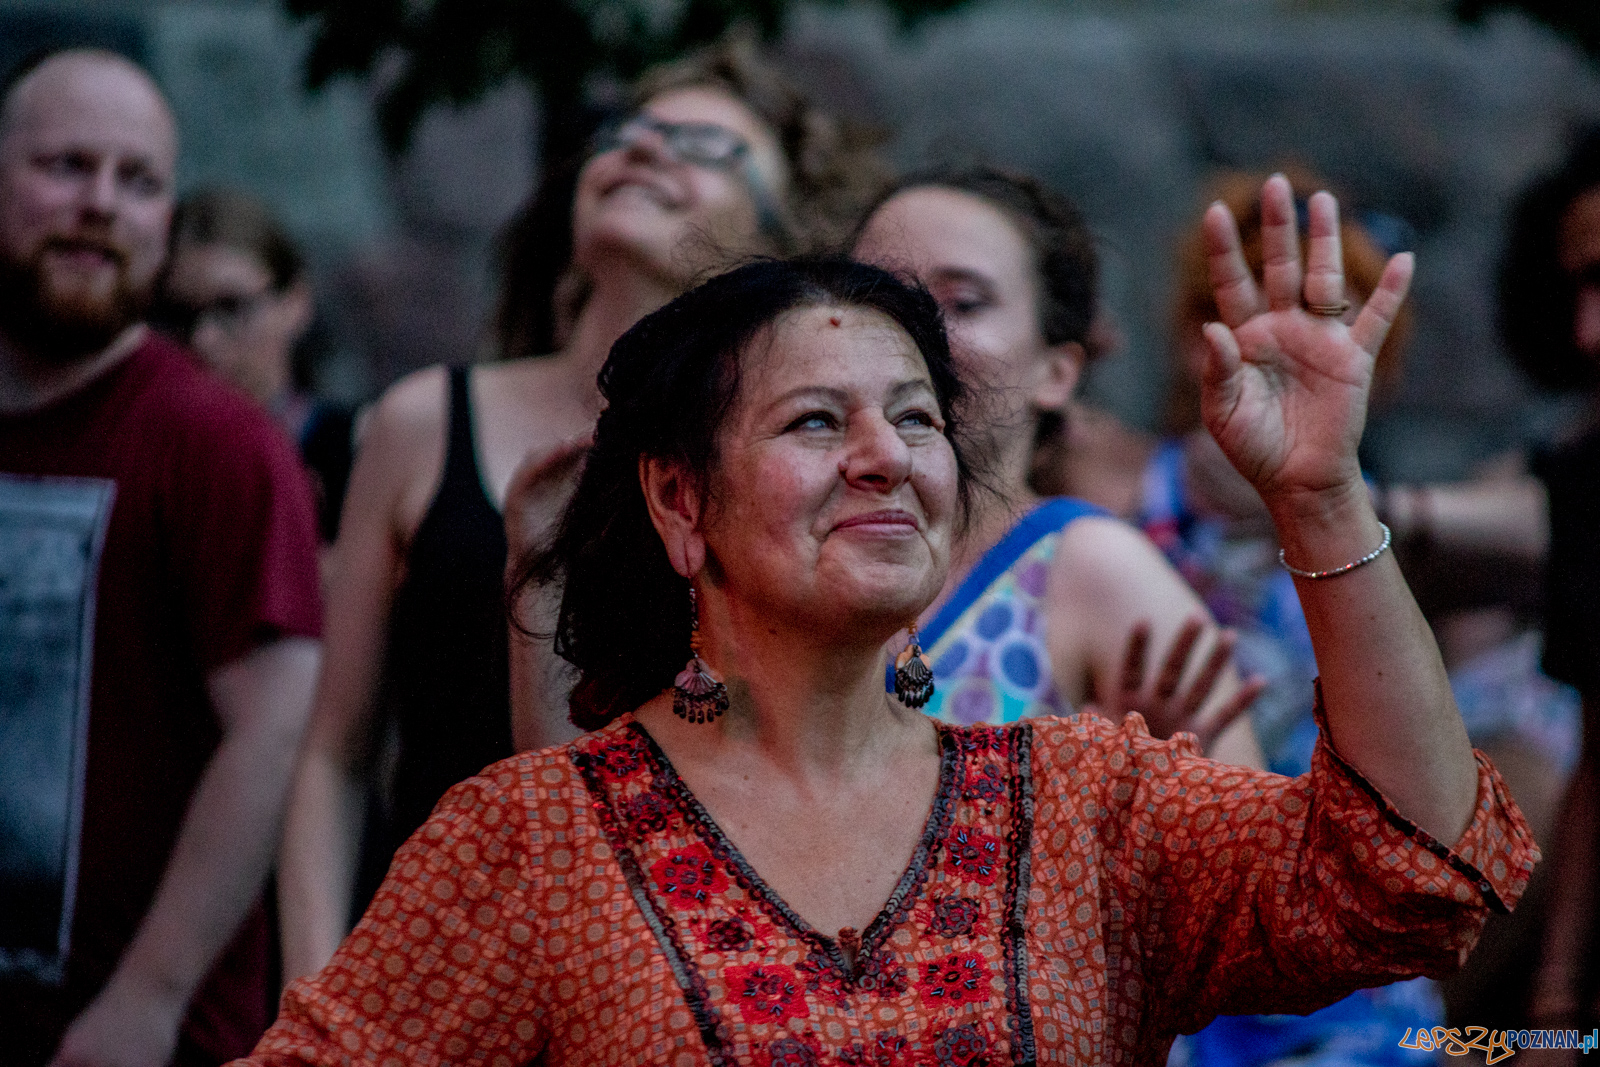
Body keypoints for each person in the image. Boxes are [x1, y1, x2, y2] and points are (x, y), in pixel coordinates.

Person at [243, 181, 1535, 1065]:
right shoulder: (531, 841)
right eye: (817, 420)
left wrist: (1319, 496)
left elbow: (1412, 870)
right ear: (681, 502)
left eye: (916, 417)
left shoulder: (1092, 804)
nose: (888, 456)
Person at [275, 39, 888, 985]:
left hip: (667, 980)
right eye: (627, 133)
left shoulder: (776, 477)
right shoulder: (423, 421)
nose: (641, 149)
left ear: (775, 244)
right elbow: (334, 755)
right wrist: (313, 999)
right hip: (433, 971)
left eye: (705, 147)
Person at [0, 50, 322, 1066]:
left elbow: (273, 732)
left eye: (137, 180)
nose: (100, 203)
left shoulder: (216, 443)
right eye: (66, 165)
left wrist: (147, 999)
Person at [852, 168, 1263, 762]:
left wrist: (1138, 799)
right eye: (876, 296)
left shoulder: (1097, 570)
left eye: (962, 302)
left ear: (1057, 373)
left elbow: (1248, 819)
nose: (910, 327)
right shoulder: (783, 542)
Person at [157, 187, 355, 542]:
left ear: (296, 301)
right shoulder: (149, 460)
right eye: (178, 314)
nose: (202, 339)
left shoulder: (358, 455)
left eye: (231, 307)